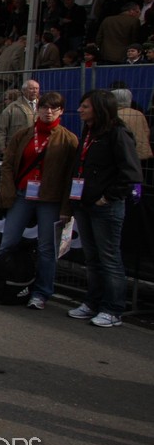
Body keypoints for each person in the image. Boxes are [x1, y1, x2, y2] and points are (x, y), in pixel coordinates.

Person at [0, 91, 78, 310]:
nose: (48, 112)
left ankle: (41, 293)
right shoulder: (23, 135)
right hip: (22, 195)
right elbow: (8, 164)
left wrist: (66, 207)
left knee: (46, 248)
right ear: (37, 109)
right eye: (44, 107)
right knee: (8, 241)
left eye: (54, 108)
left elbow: (71, 176)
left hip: (50, 199)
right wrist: (7, 190)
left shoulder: (69, 139)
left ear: (61, 111)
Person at [66, 89, 142, 328]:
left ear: (99, 109)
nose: (79, 110)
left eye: (85, 106)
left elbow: (131, 174)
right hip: (84, 203)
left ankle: (113, 309)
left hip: (105, 207)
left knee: (109, 258)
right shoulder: (89, 132)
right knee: (92, 258)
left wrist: (107, 198)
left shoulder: (118, 133)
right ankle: (92, 302)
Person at [0, 80, 39, 155]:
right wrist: (2, 148)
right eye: (31, 88)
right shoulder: (12, 108)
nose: (34, 91)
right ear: (23, 91)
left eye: (37, 88)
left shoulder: (44, 106)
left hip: (38, 147)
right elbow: (1, 129)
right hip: (17, 149)